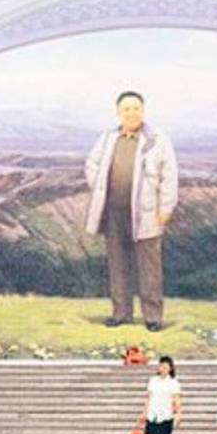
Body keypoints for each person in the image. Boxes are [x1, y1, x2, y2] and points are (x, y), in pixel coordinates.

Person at [83, 91, 179, 332]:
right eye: (126, 109)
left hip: (147, 214)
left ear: (143, 111)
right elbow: (91, 164)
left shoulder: (157, 140)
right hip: (114, 213)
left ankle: (153, 317)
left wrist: (166, 208)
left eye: (136, 108)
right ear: (118, 113)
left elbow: (170, 176)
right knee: (118, 264)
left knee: (149, 267)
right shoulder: (108, 138)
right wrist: (101, 188)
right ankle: (121, 313)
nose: (131, 113)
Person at [139, 355, 182, 434]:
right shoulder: (153, 381)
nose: (163, 368)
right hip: (153, 415)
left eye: (166, 366)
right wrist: (144, 413)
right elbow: (149, 398)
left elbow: (177, 401)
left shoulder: (173, 383)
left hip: (165, 416)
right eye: (161, 366)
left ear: (170, 369)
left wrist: (178, 415)